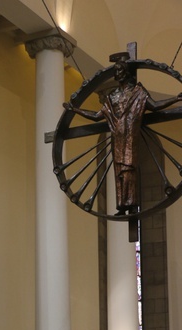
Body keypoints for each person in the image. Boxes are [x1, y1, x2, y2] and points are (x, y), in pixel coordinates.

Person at [63, 52, 182, 215]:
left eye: (119, 70)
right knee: (119, 173)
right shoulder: (112, 97)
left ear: (126, 72)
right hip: (117, 139)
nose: (117, 74)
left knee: (128, 171)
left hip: (130, 138)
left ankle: (131, 204)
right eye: (116, 71)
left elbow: (154, 106)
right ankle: (122, 206)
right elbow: (97, 116)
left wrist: (175, 99)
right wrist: (75, 109)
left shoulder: (138, 93)